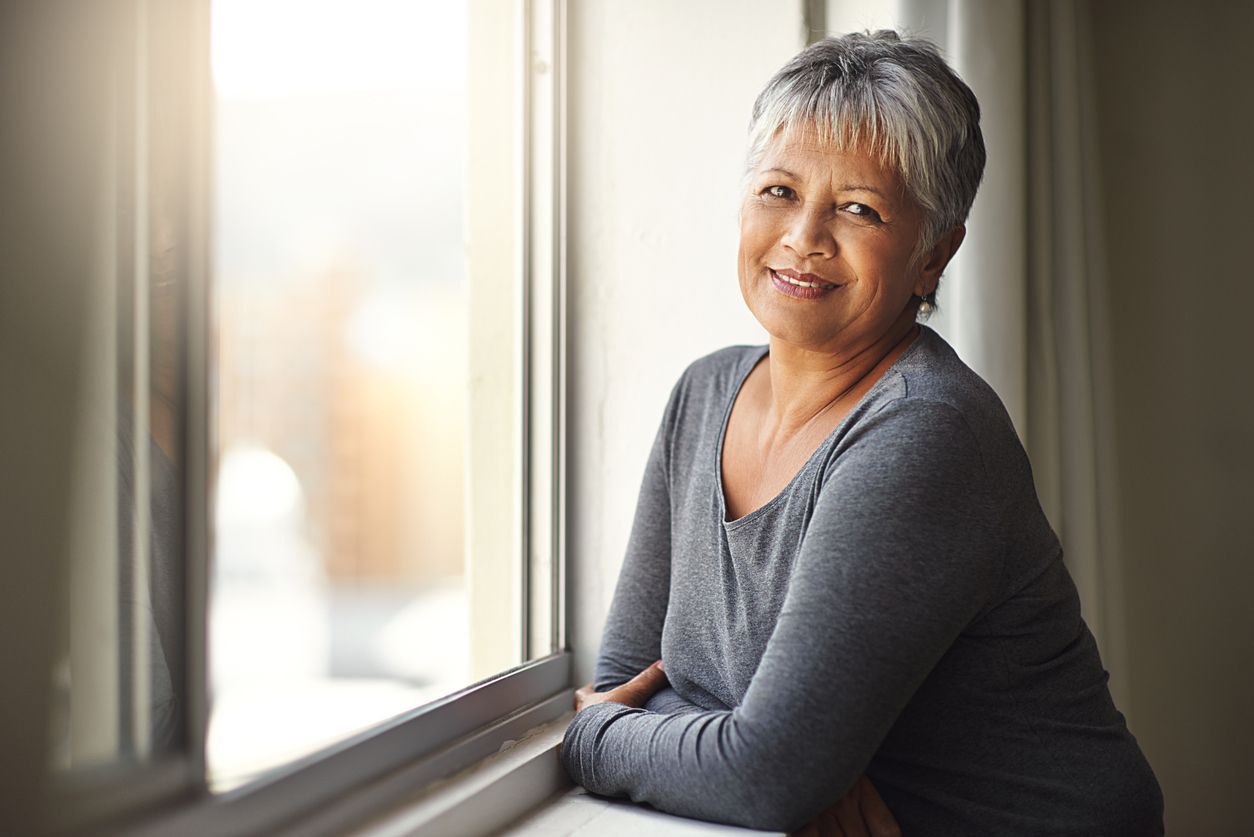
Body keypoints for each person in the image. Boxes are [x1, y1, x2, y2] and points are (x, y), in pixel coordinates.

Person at [559, 30, 1164, 836]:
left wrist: (589, 735)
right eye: (778, 190)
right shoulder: (702, 396)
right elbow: (634, 679)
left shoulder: (925, 432)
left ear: (933, 254)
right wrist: (772, 760)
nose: (805, 236)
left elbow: (745, 768)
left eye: (858, 207)